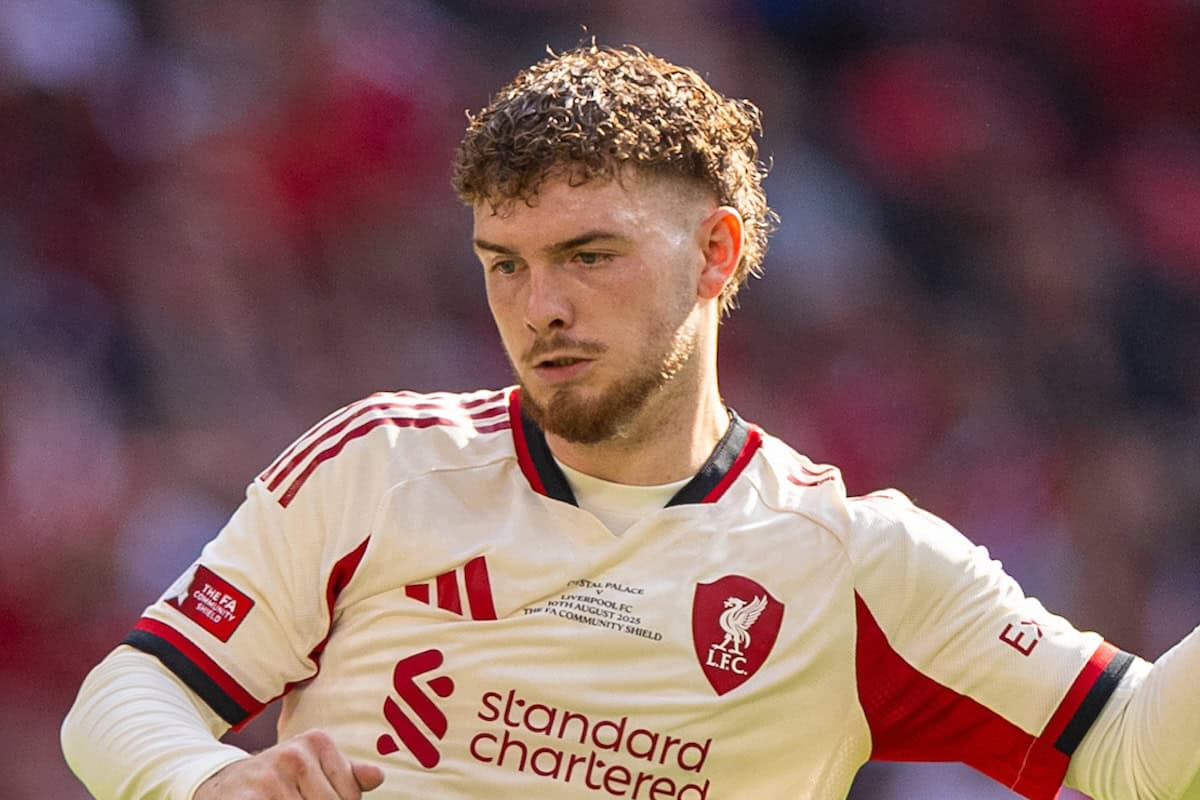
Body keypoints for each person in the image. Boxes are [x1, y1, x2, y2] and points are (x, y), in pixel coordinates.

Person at [62, 43, 1199, 800]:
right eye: (503, 264)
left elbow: (1138, 748)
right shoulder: (382, 463)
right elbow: (127, 691)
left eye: (588, 256)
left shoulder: (857, 562)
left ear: (717, 254)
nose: (539, 305)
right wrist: (206, 780)